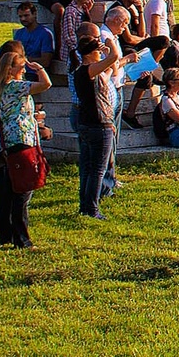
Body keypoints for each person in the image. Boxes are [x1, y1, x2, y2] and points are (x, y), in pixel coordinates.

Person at [0, 42, 51, 248]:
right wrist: (39, 69)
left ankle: (4, 234)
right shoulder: (15, 86)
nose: (24, 70)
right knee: (22, 192)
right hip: (22, 140)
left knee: (7, 190)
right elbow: (45, 85)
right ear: (11, 69)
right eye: (22, 67)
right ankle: (22, 238)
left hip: (5, 142)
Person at [70, 24, 139, 219]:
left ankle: (85, 205)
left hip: (87, 123)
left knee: (87, 167)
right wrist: (108, 42)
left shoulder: (85, 73)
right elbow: (113, 57)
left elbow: (110, 68)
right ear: (91, 54)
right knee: (97, 170)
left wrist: (116, 60)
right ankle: (92, 209)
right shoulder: (88, 71)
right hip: (98, 125)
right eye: (97, 52)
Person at [14, 3, 57, 77]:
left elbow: (46, 61)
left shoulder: (45, 34)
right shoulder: (19, 33)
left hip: (36, 74)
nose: (23, 19)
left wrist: (24, 60)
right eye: (20, 16)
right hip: (20, 73)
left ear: (34, 14)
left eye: (26, 15)